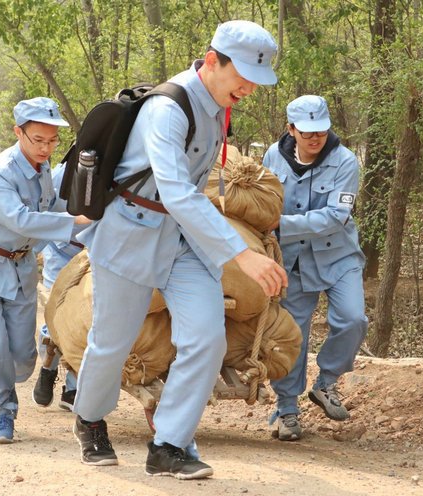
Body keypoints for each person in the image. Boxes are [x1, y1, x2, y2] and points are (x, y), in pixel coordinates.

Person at [71, 20, 286, 480]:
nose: (248, 88)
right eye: (242, 77)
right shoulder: (168, 109)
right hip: (131, 234)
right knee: (112, 343)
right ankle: (89, 419)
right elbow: (174, 190)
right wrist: (241, 253)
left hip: (184, 243)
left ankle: (168, 444)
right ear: (213, 62)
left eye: (255, 80)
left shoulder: (218, 106)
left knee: (207, 338)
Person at [0, 97, 88, 444]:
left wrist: (95, 222)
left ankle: (0, 375)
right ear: (18, 133)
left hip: (20, 268)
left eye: (52, 141)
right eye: (38, 140)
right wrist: (75, 222)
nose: (45, 148)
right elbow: (20, 219)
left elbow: (51, 205)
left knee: (23, 357)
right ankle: (2, 412)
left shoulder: (43, 170)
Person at [262, 95, 368, 441]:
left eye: (321, 131)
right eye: (306, 131)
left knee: (353, 319)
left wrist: (279, 225)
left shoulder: (344, 162)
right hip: (291, 261)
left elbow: (336, 216)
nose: (314, 138)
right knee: (292, 336)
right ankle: (287, 409)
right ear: (291, 129)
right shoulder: (273, 157)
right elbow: (262, 200)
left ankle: (326, 383)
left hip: (337, 256)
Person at [31, 164, 87, 411]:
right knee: (56, 317)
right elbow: (42, 209)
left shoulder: (120, 167)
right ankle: (48, 368)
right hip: (61, 251)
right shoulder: (64, 172)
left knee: (86, 320)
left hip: (95, 253)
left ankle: (73, 387)